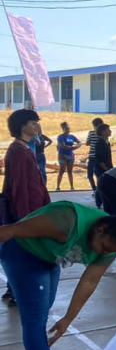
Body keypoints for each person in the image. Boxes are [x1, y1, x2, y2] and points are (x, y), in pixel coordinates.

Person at [0, 201, 116, 350]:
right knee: (35, 317)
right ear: (100, 230)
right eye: (104, 248)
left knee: (45, 306)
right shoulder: (67, 221)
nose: (105, 254)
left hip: (49, 257)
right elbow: (12, 230)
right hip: (22, 252)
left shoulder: (112, 244)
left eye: (111, 252)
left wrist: (67, 319)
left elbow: (89, 281)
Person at [2, 109, 52, 307]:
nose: (38, 125)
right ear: (23, 126)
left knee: (19, 251)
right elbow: (20, 188)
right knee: (23, 252)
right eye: (33, 122)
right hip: (27, 214)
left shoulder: (24, 149)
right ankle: (16, 290)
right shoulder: (19, 152)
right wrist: (26, 220)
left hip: (33, 211)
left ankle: (13, 289)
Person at [55, 122, 81, 192]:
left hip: (71, 155)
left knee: (70, 171)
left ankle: (72, 187)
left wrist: (77, 146)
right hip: (62, 155)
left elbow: (79, 142)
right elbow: (62, 145)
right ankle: (58, 187)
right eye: (66, 129)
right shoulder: (60, 136)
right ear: (63, 129)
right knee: (61, 170)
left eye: (69, 129)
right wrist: (71, 148)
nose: (68, 130)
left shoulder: (72, 136)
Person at [92, 124, 114, 208]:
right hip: (101, 168)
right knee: (101, 185)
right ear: (103, 132)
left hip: (108, 167)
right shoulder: (100, 143)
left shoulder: (107, 142)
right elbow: (99, 157)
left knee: (106, 185)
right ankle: (99, 203)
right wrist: (105, 168)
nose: (110, 131)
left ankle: (105, 201)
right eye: (108, 130)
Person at [86, 117, 103, 199]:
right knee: (99, 174)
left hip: (92, 156)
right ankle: (100, 189)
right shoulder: (102, 134)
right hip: (100, 157)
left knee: (90, 173)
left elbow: (87, 143)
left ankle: (94, 189)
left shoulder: (91, 133)